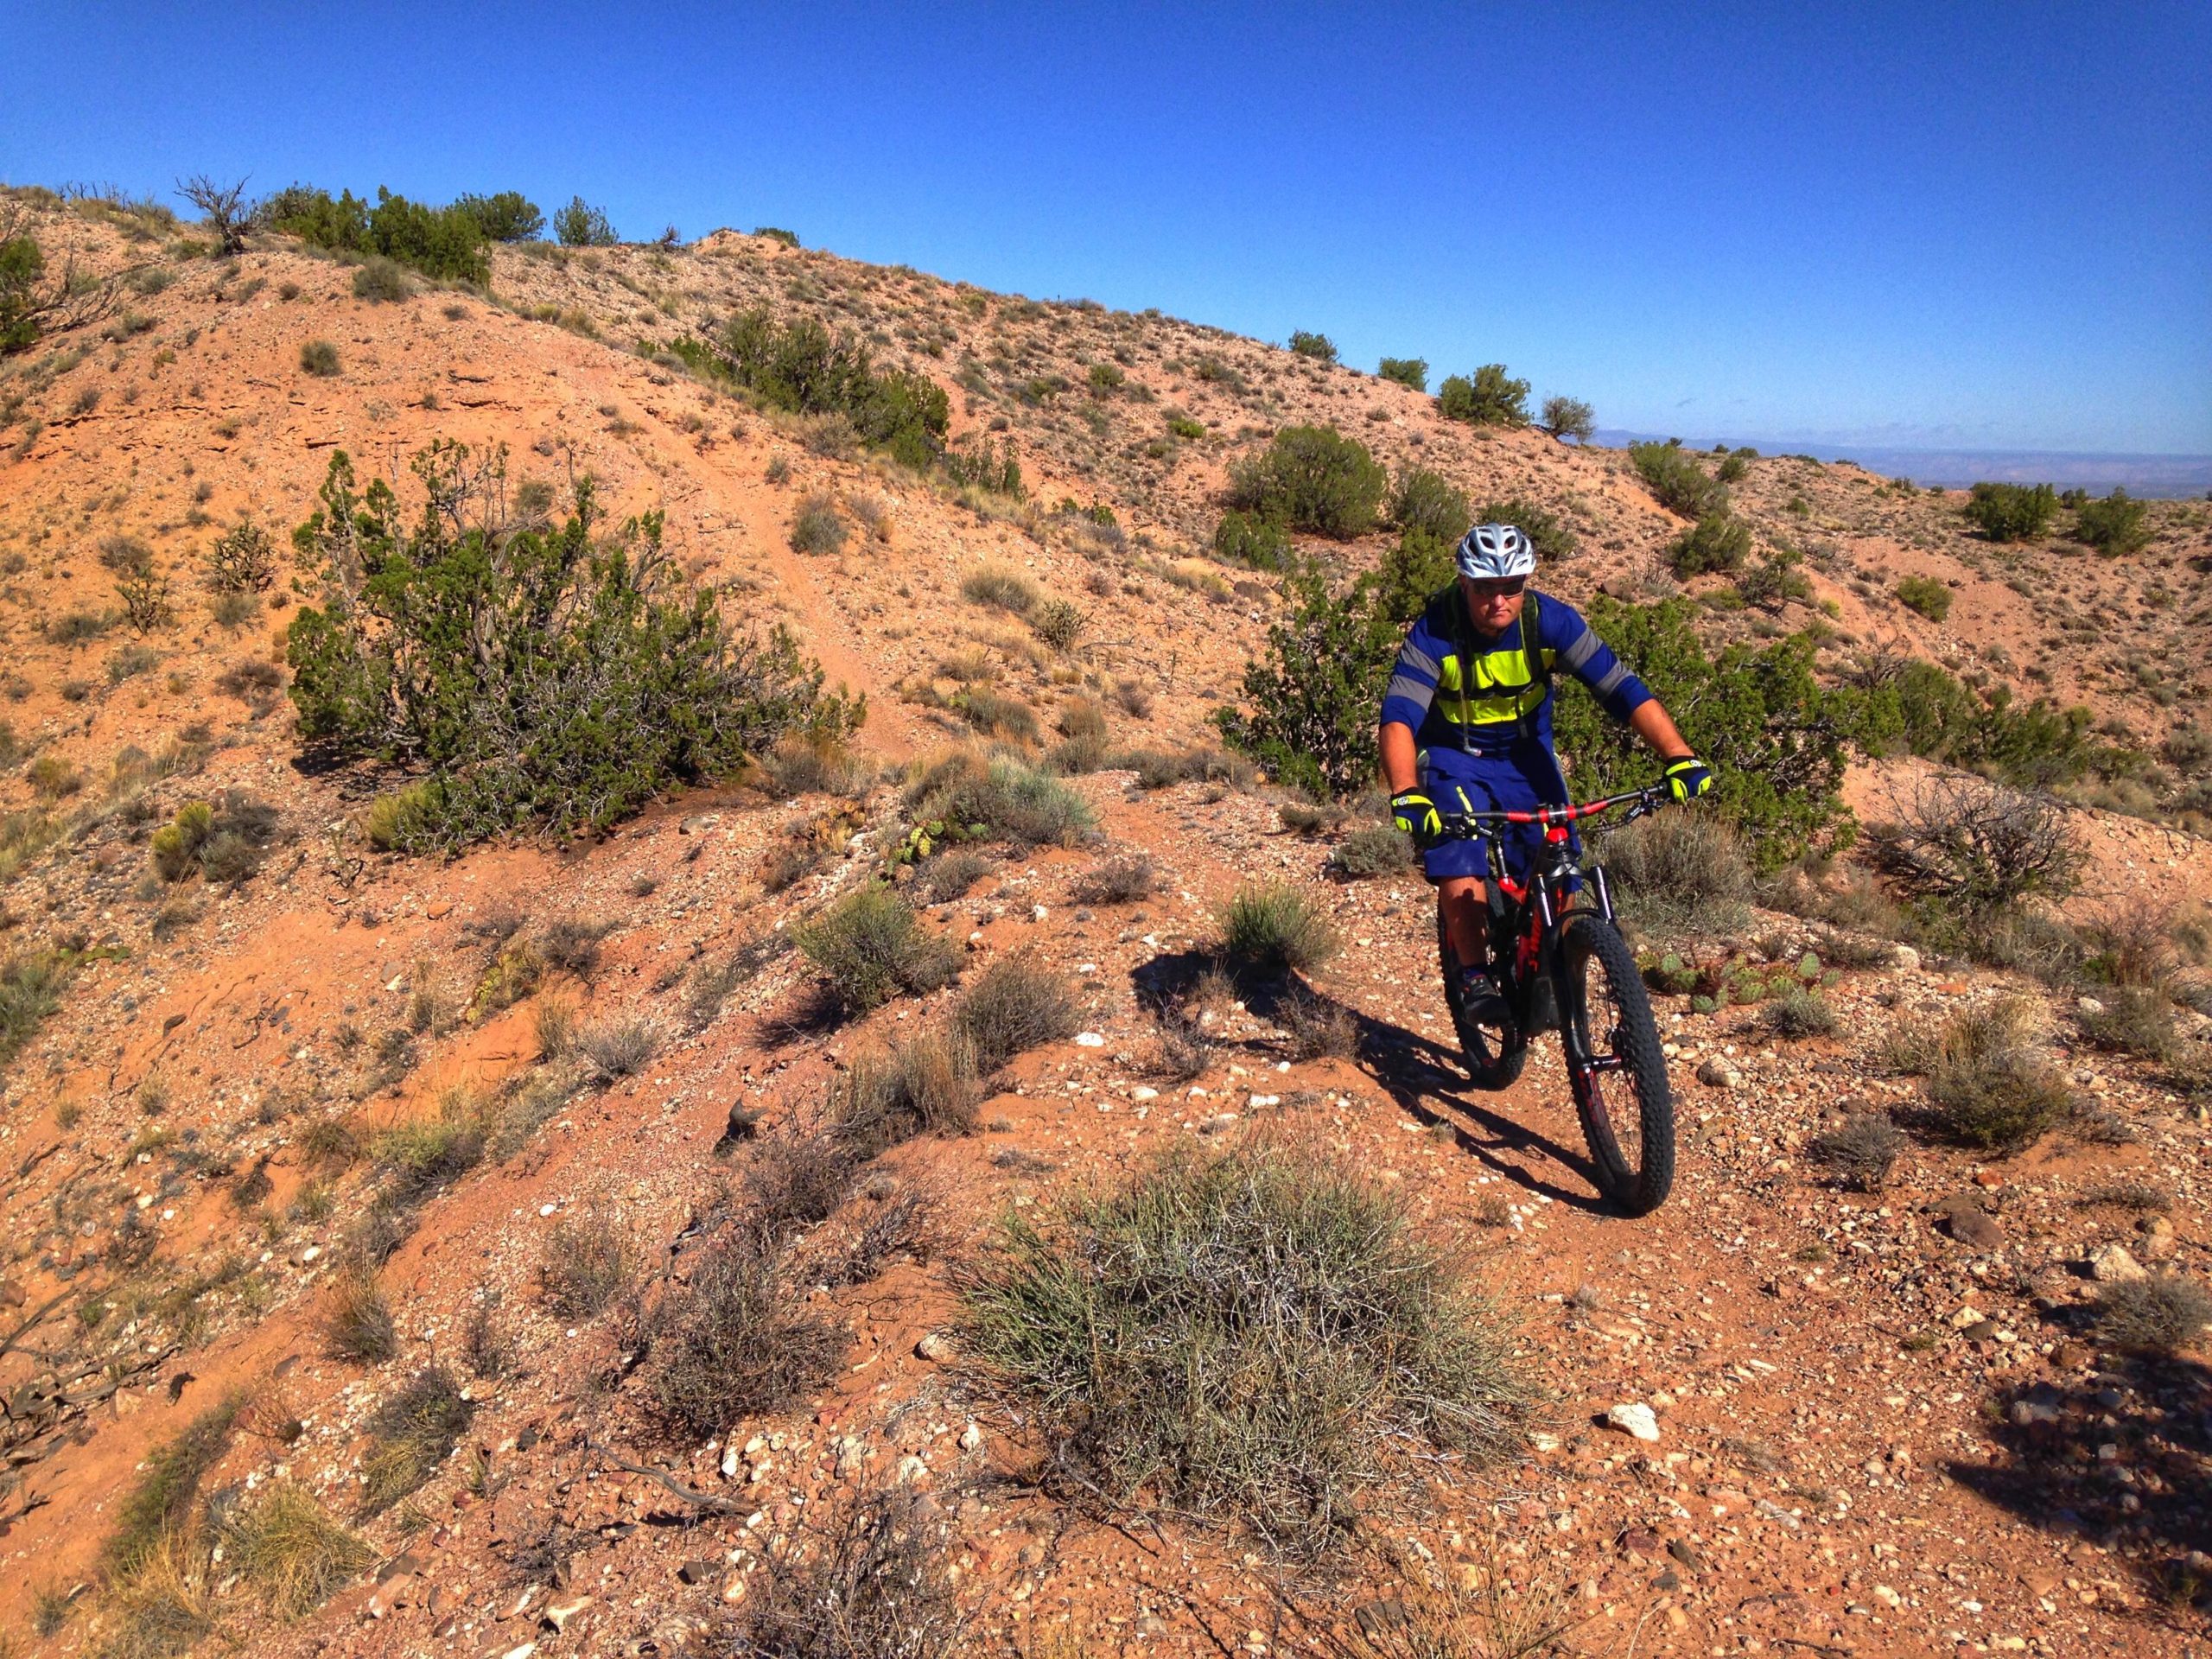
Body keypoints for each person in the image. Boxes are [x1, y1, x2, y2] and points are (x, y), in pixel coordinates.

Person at [1377, 522, 1713, 1024]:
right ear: (1464, 583)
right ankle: (1473, 976)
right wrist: (1407, 791)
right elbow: (1400, 716)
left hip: (1525, 754)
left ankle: (1553, 962)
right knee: (1460, 854)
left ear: (1526, 583)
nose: (1499, 600)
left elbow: (1622, 689)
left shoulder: (1549, 623)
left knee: (1561, 853)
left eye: (1511, 587)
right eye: (1486, 588)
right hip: (1452, 754)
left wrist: (1679, 756)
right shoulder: (1436, 630)